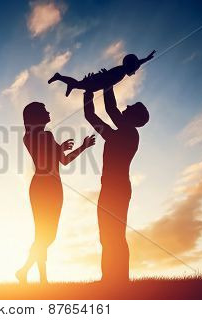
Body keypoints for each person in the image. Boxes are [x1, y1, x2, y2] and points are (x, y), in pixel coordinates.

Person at [16, 102, 95, 284]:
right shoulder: (35, 136)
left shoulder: (41, 136)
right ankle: (39, 278)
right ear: (35, 116)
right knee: (44, 234)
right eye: (44, 110)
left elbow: (63, 160)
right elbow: (52, 158)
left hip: (51, 186)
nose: (49, 111)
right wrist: (61, 149)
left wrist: (82, 147)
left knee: (47, 235)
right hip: (44, 186)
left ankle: (26, 271)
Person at [83, 82, 149, 283]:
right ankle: (109, 279)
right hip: (111, 188)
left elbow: (110, 109)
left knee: (116, 235)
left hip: (117, 189)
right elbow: (91, 117)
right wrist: (88, 92)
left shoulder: (129, 134)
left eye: (131, 108)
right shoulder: (115, 135)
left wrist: (107, 83)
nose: (126, 107)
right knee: (107, 235)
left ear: (134, 118)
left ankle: (120, 279)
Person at [48, 50, 155, 97]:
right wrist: (94, 79)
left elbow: (136, 64)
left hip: (100, 82)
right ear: (130, 66)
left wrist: (146, 59)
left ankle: (67, 82)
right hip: (99, 81)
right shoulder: (121, 71)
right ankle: (60, 77)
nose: (134, 72)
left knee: (80, 85)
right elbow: (108, 76)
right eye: (134, 69)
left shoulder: (122, 70)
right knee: (81, 85)